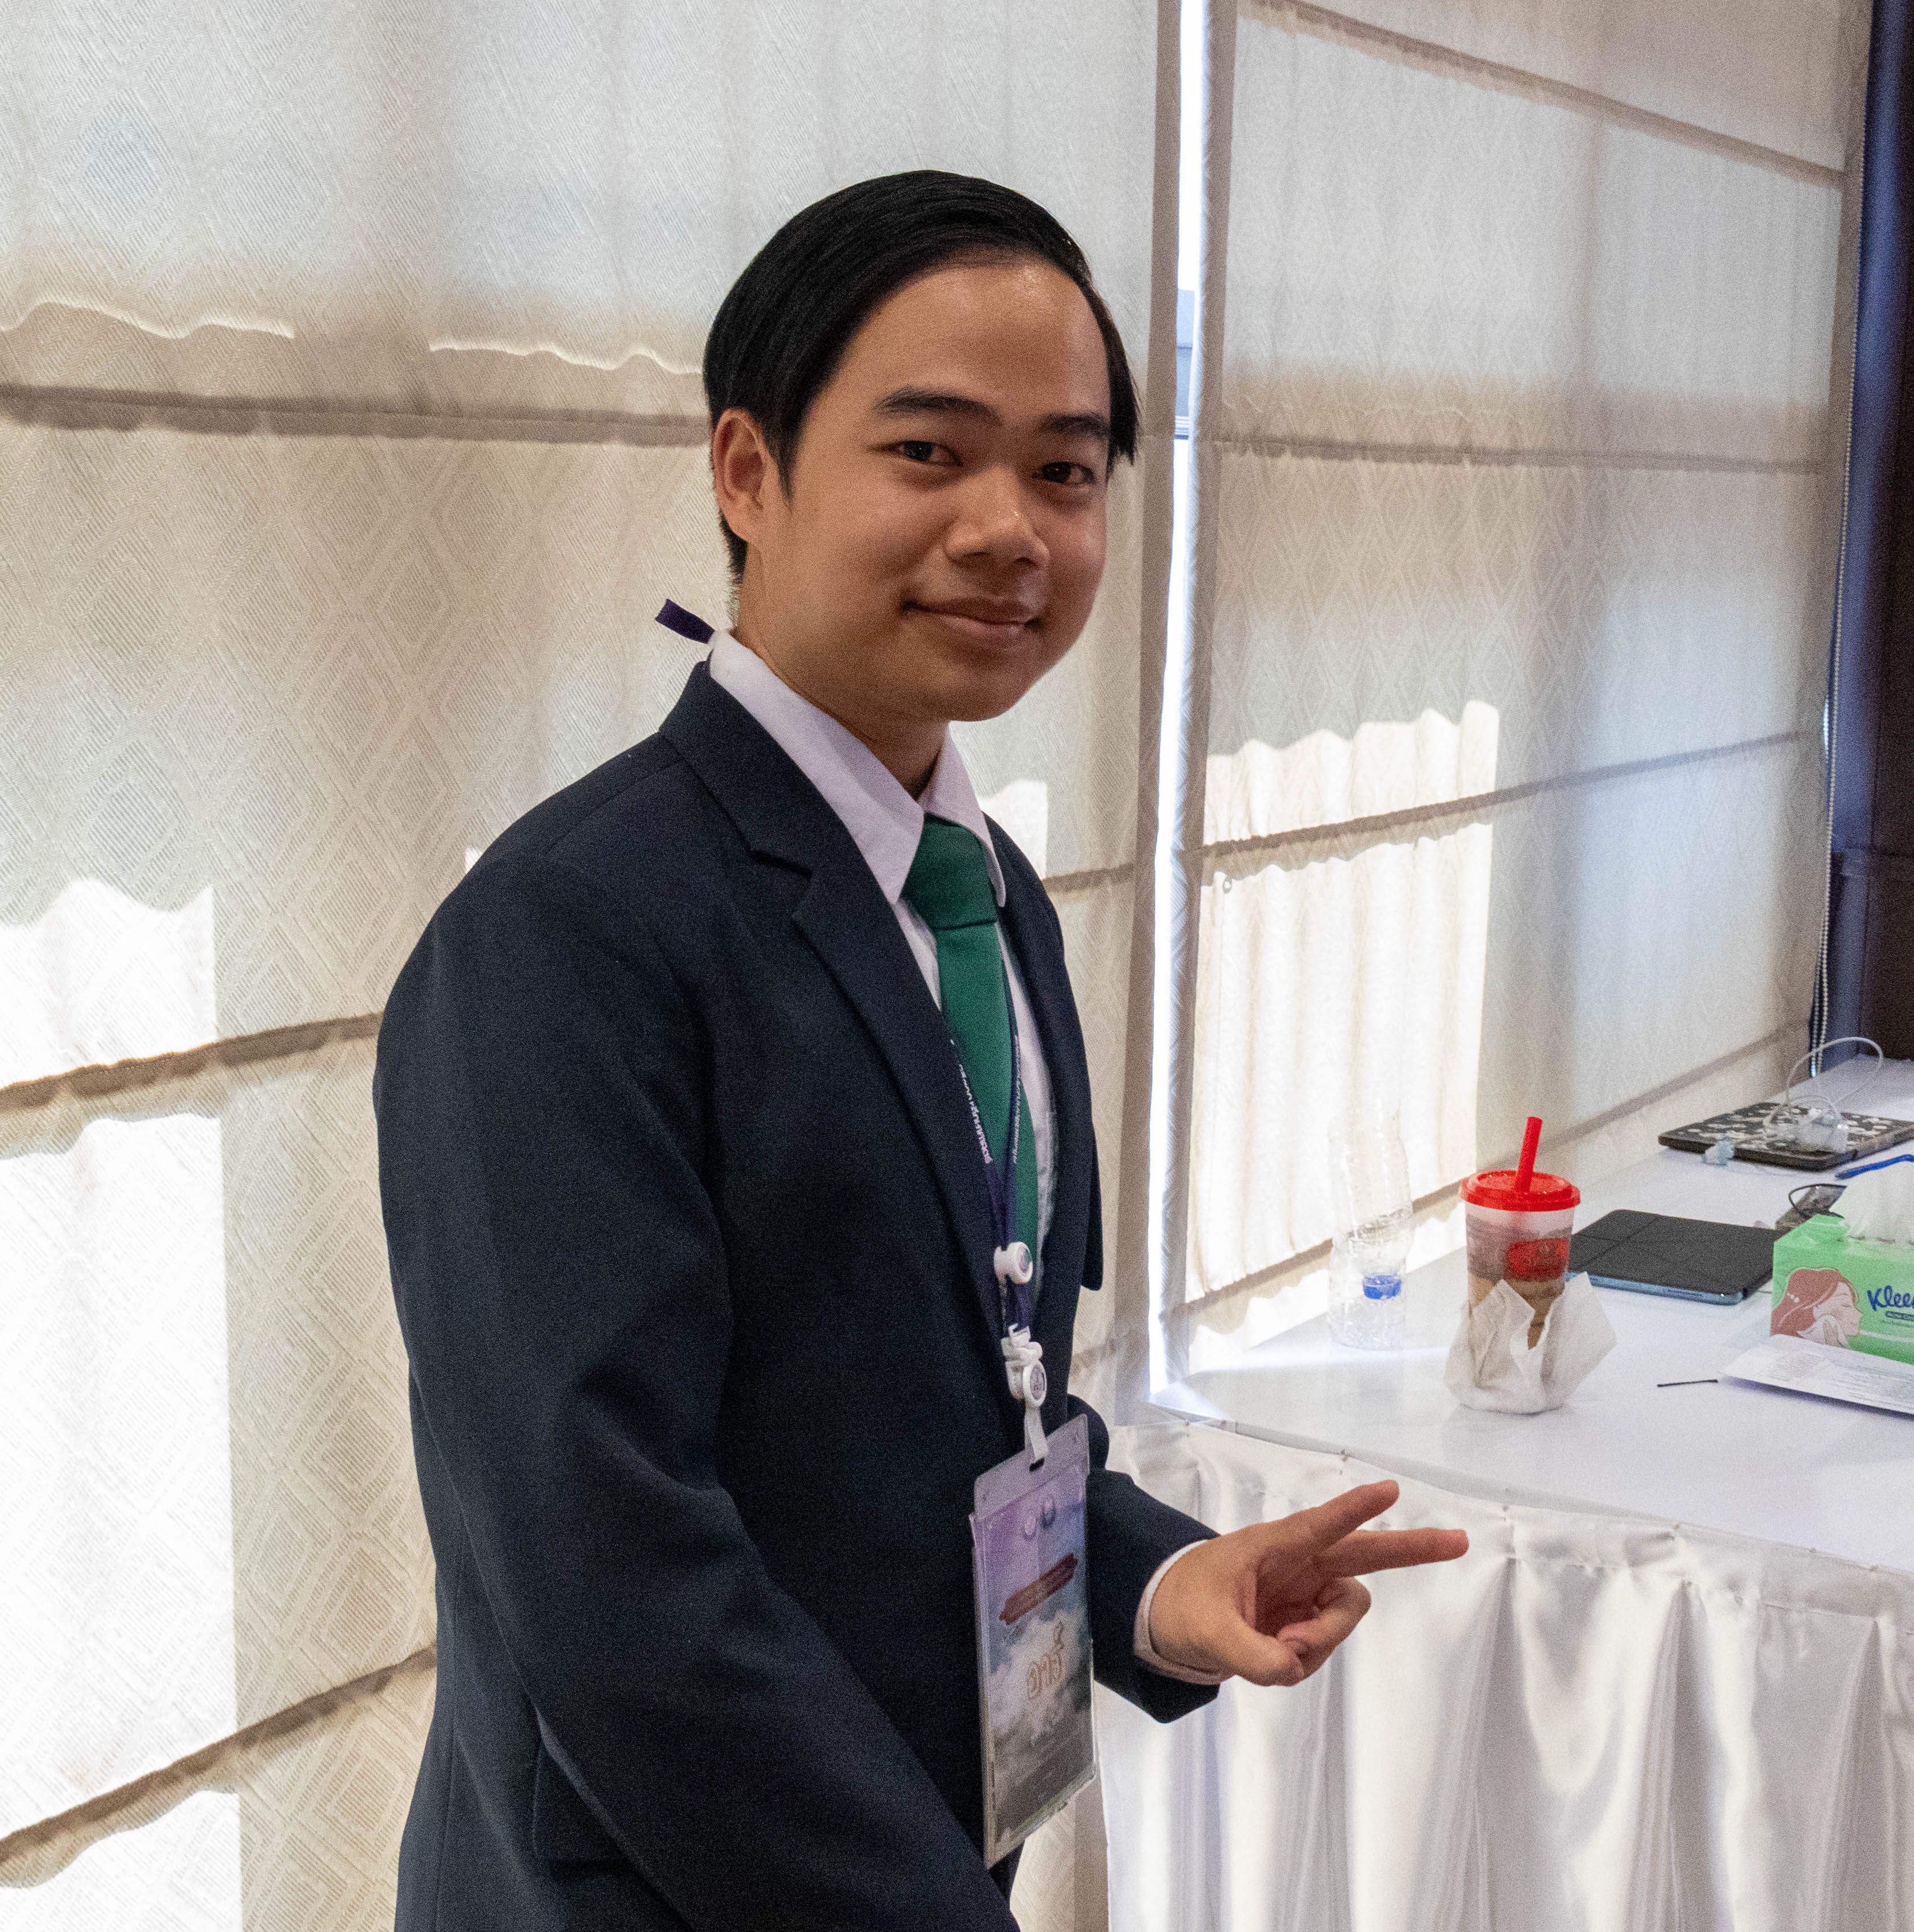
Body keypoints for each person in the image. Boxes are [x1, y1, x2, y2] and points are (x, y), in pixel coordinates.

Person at [375, 170, 1468, 1930]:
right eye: (928, 453)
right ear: (748, 472)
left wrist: (1154, 1584)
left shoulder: (981, 890)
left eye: (1066, 472)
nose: (1008, 529)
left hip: (920, 1844)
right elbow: (614, 1585)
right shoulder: (570, 934)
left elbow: (977, 1389)